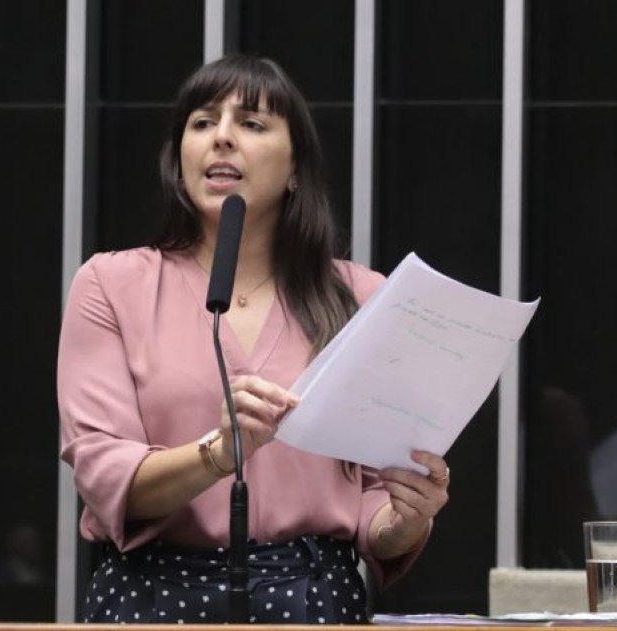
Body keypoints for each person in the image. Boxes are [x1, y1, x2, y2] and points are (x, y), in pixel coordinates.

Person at [57, 53, 450, 624]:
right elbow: (104, 476)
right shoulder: (110, 285)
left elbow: (373, 500)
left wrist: (405, 520)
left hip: (313, 602)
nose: (221, 138)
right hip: (153, 599)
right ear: (179, 159)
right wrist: (217, 455)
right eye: (202, 122)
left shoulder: (364, 297)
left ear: (296, 169)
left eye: (251, 123)